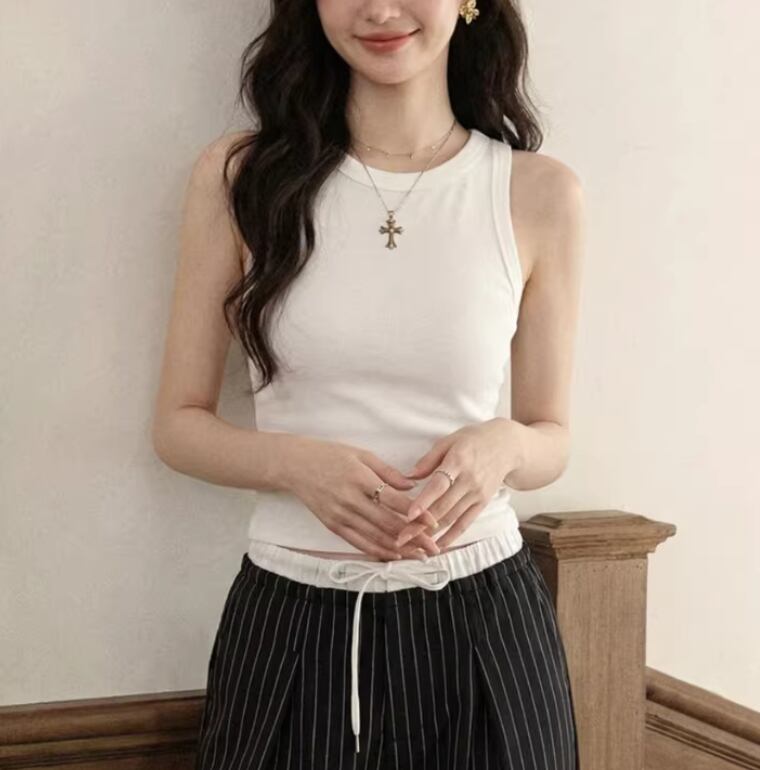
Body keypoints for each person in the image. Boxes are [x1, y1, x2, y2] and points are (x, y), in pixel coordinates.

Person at [152, 0, 585, 767]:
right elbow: (179, 425)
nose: (380, 9)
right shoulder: (239, 177)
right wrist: (294, 465)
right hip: (289, 622)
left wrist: (503, 447)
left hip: (488, 621)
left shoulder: (540, 193)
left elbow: (550, 435)